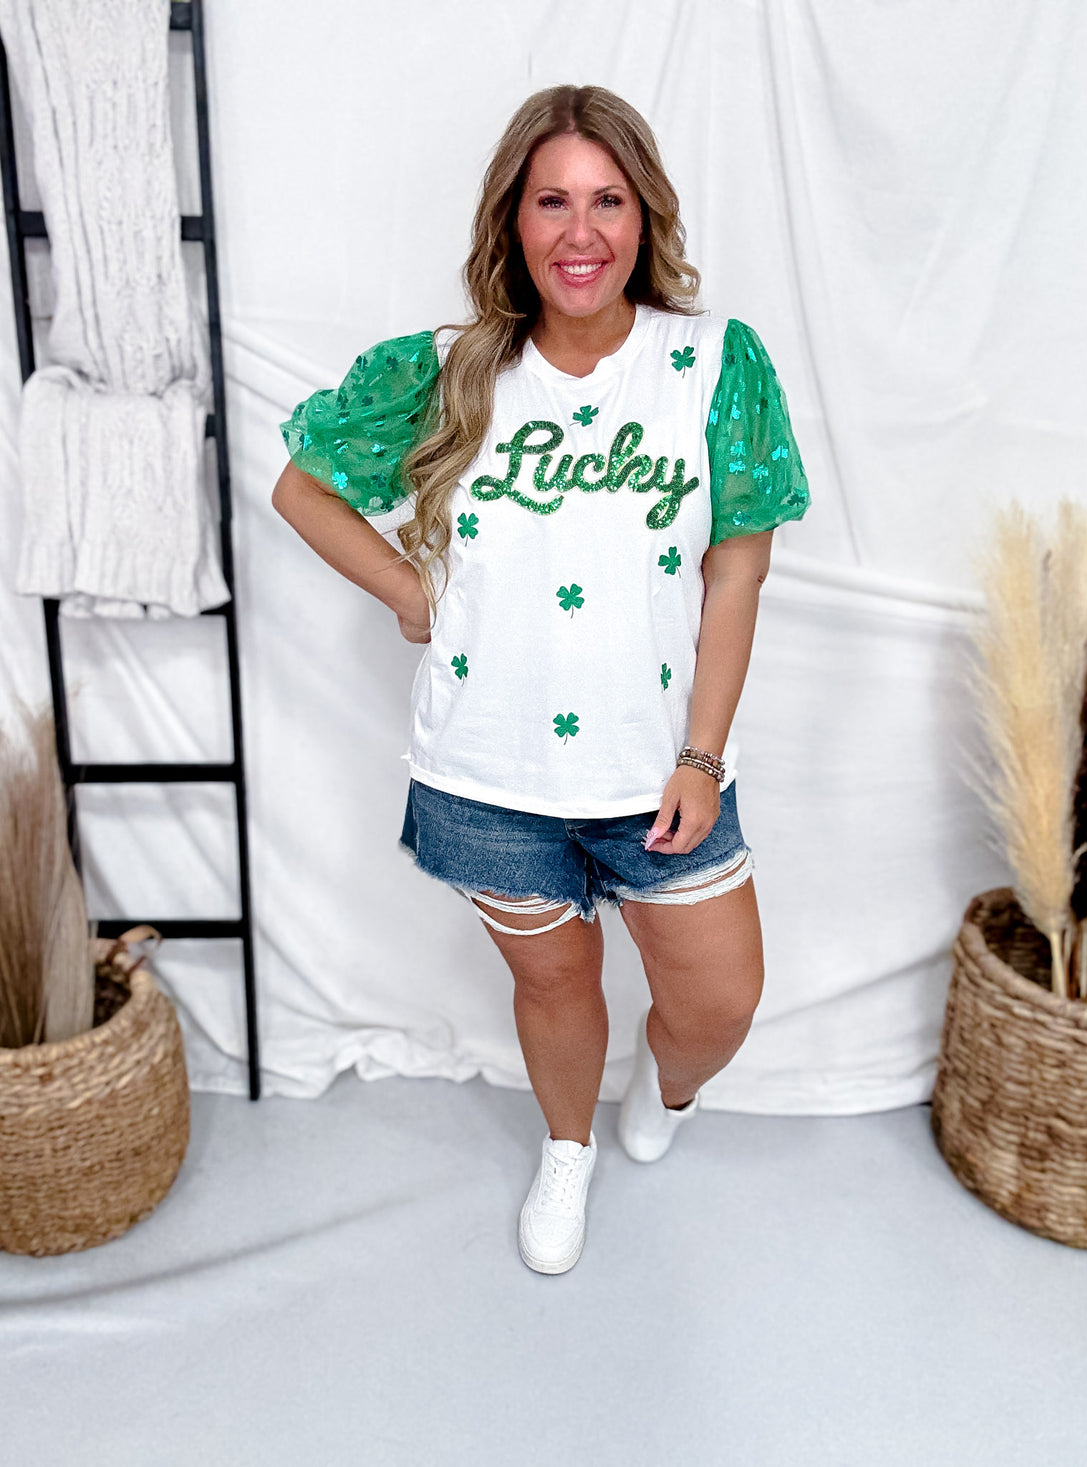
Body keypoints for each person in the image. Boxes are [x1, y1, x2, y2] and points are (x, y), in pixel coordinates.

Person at [272, 84, 810, 1276]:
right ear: (511, 222)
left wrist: (701, 756)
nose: (581, 231)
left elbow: (734, 576)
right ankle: (565, 1147)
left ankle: (662, 1097)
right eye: (551, 201)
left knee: (717, 1001)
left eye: (607, 201)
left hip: (657, 769)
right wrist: (411, 594)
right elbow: (302, 487)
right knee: (553, 981)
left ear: (642, 216)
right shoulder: (448, 369)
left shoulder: (712, 365)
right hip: (487, 766)